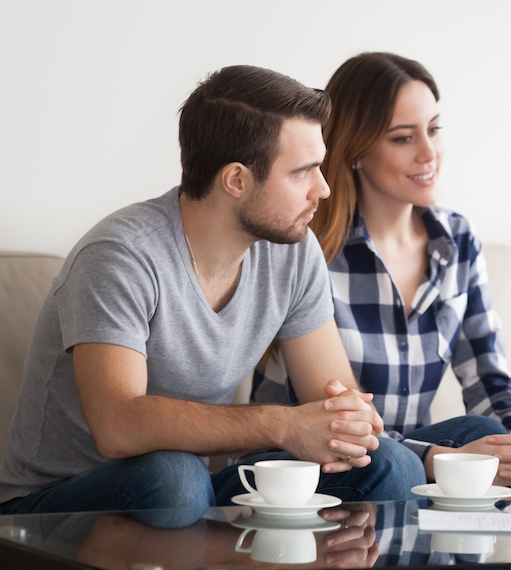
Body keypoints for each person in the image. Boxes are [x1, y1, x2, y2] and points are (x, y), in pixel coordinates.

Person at [0, 65, 425, 516]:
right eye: (303, 172)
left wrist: (351, 425)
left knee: (390, 466)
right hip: (54, 506)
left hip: (188, 497)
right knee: (174, 478)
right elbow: (118, 426)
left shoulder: (292, 252)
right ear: (237, 180)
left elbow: (331, 401)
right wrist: (283, 425)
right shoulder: (119, 255)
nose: (323, 189)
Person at [252, 53, 511, 503]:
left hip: (402, 459)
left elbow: (488, 374)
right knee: (392, 464)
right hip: (316, 462)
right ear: (356, 150)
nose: (428, 153)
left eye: (433, 130)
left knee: (487, 433)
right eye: (403, 138)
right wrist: (434, 457)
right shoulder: (306, 249)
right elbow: (331, 418)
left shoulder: (456, 240)